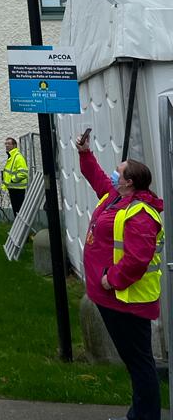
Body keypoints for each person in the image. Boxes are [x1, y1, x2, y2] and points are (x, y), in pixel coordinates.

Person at [76, 129, 164, 420]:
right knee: (134, 362)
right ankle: (138, 414)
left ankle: (145, 416)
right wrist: (85, 153)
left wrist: (110, 279)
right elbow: (97, 177)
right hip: (113, 299)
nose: (113, 175)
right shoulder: (115, 197)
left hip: (128, 301)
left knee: (139, 363)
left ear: (129, 182)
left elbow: (137, 259)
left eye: (119, 172)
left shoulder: (141, 213)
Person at [1, 137, 29, 216]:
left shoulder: (18, 157)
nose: (6, 145)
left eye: (9, 144)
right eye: (6, 144)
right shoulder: (11, 156)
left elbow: (23, 173)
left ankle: (20, 224)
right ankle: (17, 223)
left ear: (14, 145)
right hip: (13, 188)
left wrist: (12, 180)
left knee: (19, 211)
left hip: (18, 189)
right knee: (16, 211)